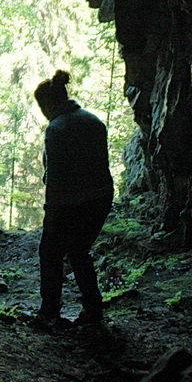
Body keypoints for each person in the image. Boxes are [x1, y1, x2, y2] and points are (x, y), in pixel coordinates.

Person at [33, 69, 114, 327]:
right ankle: (93, 310)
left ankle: (49, 312)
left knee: (50, 252)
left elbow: (56, 177)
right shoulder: (93, 120)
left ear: (48, 103)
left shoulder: (57, 129)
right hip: (100, 199)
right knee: (79, 252)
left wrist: (51, 211)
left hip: (70, 203)